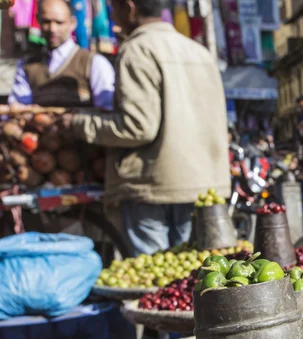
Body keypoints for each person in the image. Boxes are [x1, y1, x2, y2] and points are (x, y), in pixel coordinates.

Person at [62, 0, 230, 256]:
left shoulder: (137, 50)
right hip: (202, 184)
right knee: (193, 277)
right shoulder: (198, 51)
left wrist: (79, 124)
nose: (114, 18)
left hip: (154, 185)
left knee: (154, 281)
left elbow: (137, 127)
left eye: (114, 9)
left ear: (130, 7)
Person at [9, 0, 115, 110]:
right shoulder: (27, 65)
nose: (52, 29)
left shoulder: (93, 63)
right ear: (38, 21)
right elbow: (18, 107)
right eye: (46, 22)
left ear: (72, 23)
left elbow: (106, 111)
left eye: (59, 23)